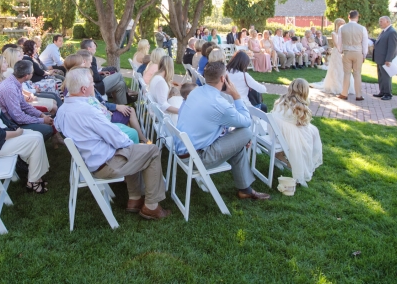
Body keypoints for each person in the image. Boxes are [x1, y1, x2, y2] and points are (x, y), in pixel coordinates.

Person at [54, 69, 171, 220]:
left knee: (133, 150)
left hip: (91, 160)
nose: (94, 85)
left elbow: (57, 126)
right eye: (91, 82)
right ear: (84, 89)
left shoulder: (63, 110)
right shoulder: (88, 111)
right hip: (105, 164)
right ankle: (151, 207)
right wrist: (132, 145)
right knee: (152, 150)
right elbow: (117, 138)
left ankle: (135, 199)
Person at [175, 62, 270, 201]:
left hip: (183, 150)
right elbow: (246, 122)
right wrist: (236, 96)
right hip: (195, 158)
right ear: (223, 79)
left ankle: (245, 190)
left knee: (238, 140)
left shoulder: (196, 91)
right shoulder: (219, 103)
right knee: (245, 133)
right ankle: (245, 189)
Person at [64, 53, 143, 143]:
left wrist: (105, 107)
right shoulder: (81, 88)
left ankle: (136, 138)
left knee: (120, 85)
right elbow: (94, 107)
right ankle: (137, 139)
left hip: (100, 117)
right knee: (129, 114)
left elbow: (95, 103)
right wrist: (111, 108)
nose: (87, 64)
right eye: (83, 62)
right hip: (100, 125)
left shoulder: (73, 87)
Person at [270, 79, 323, 187]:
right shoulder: (299, 106)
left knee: (313, 130)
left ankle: (281, 155)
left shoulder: (282, 99)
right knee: (313, 132)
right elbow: (303, 124)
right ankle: (304, 163)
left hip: (276, 131)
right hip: (287, 134)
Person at [0, 60, 54, 141]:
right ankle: (32, 145)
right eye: (32, 72)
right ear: (26, 76)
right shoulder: (10, 88)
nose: (33, 74)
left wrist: (41, 115)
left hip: (14, 119)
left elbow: (24, 105)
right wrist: (42, 120)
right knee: (47, 129)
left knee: (46, 115)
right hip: (9, 125)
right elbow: (18, 117)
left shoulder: (15, 82)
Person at [312, 18, 355, 96]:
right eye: (340, 23)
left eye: (343, 23)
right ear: (337, 24)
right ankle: (336, 86)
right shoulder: (334, 33)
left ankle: (346, 86)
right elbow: (336, 43)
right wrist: (341, 50)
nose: (342, 25)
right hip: (337, 52)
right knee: (337, 68)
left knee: (345, 69)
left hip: (345, 51)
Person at [81, 38, 129, 104]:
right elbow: (96, 78)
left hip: (93, 86)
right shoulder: (91, 58)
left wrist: (100, 73)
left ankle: (122, 107)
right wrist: (104, 76)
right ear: (89, 48)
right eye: (94, 46)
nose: (95, 48)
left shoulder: (81, 56)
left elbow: (92, 73)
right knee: (119, 75)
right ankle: (128, 92)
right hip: (96, 87)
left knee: (121, 84)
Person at [338, 10, 368, 101]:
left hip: (347, 51)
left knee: (346, 73)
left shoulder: (342, 28)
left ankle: (344, 93)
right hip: (358, 52)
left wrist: (340, 51)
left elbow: (340, 42)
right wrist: (364, 54)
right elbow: (365, 43)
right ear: (357, 17)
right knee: (357, 73)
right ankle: (358, 95)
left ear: (348, 17)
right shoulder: (362, 28)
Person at [373, 16, 397, 101]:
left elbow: (392, 47)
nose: (379, 23)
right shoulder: (384, 31)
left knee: (386, 77)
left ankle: (388, 93)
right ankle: (382, 92)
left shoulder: (392, 32)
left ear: (387, 21)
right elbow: (380, 42)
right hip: (380, 58)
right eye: (379, 21)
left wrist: (388, 59)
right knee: (381, 76)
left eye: (381, 21)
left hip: (385, 59)